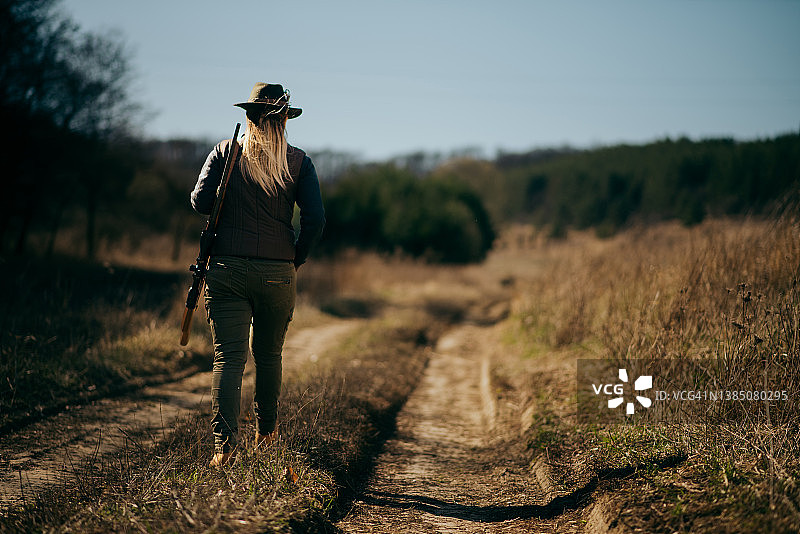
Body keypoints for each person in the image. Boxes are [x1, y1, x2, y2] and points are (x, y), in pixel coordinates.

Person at [190, 82, 325, 467]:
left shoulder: (225, 152)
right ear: (284, 120)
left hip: (226, 268)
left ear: (249, 117)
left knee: (227, 358)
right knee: (268, 355)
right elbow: (316, 220)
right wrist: (295, 258)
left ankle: (224, 450)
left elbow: (199, 201)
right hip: (278, 273)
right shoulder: (299, 162)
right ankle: (267, 437)